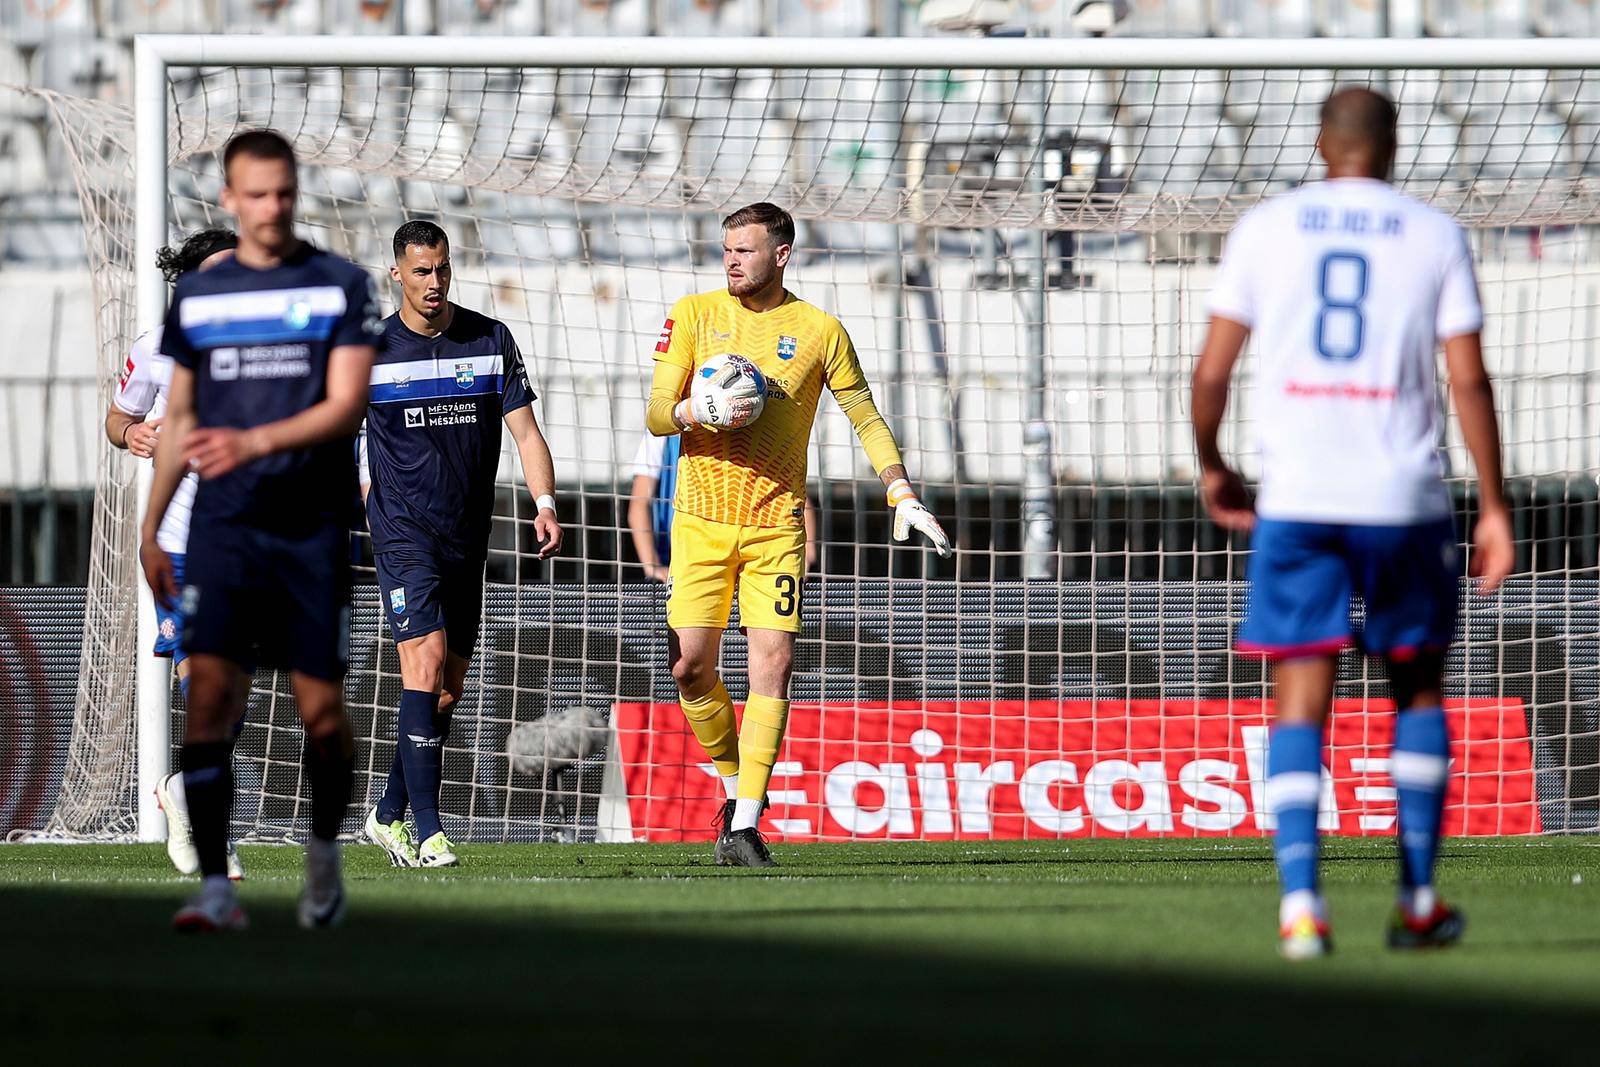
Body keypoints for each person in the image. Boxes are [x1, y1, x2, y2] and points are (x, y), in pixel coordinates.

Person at [1191, 87, 1514, 960]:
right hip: (1405, 498)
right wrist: (1492, 502)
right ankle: (1417, 899)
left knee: (1301, 695)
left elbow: (1213, 372)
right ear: (1394, 145)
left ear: (1322, 144)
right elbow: (1470, 381)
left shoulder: (1267, 228)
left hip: (1299, 497)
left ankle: (1302, 908)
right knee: (1415, 689)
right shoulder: (1433, 232)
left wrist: (1216, 463)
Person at [647, 202, 951, 868]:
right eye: (726, 248)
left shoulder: (819, 330)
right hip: (699, 522)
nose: (731, 259)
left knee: (774, 665)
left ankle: (748, 822)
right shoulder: (694, 313)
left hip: (776, 525)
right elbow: (654, 414)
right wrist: (695, 408)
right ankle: (734, 790)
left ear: (781, 254)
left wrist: (900, 488)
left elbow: (866, 417)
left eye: (745, 250)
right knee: (688, 667)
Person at [141, 129, 383, 932]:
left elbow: (346, 404)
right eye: (257, 193)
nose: (272, 206)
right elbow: (176, 417)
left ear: (295, 191)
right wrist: (151, 527)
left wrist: (251, 441)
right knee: (207, 700)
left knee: (321, 712)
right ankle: (215, 887)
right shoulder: (200, 300)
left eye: (284, 192)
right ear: (229, 199)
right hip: (220, 528)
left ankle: (322, 853)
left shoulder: (338, 285)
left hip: (309, 526)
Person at [360, 220, 563, 869]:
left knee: (446, 691)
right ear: (397, 273)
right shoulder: (368, 352)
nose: (434, 282)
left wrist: (546, 502)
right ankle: (429, 830)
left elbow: (527, 434)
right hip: (402, 533)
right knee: (420, 667)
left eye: (442, 269)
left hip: (465, 538)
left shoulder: (488, 339)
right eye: (421, 271)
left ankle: (386, 813)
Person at [107, 228, 245, 882]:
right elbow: (116, 418)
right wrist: (131, 431)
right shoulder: (155, 351)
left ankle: (184, 788)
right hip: (177, 541)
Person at [627, 429, 817, 581]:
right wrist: (653, 567)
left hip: (753, 562)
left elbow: (793, 495)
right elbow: (639, 504)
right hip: (683, 561)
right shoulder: (663, 434)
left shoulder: (758, 432)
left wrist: (807, 554)